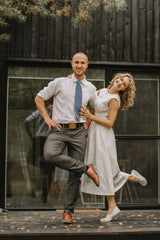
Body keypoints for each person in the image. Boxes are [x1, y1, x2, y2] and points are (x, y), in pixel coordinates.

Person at [34, 52, 99, 224]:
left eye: (82, 63)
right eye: (76, 62)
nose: (79, 65)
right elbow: (39, 98)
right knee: (49, 155)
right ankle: (87, 168)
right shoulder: (59, 83)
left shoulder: (90, 88)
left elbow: (96, 106)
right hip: (59, 129)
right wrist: (47, 118)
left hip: (79, 132)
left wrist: (89, 120)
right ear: (71, 64)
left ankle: (68, 212)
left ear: (87, 65)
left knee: (73, 175)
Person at [80, 73, 147, 223]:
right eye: (120, 80)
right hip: (94, 133)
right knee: (100, 167)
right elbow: (92, 107)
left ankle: (113, 206)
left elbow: (110, 123)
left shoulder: (114, 100)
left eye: (124, 85)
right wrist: (88, 122)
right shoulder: (101, 91)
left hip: (104, 135)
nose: (120, 84)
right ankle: (126, 184)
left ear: (123, 90)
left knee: (103, 168)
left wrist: (90, 117)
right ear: (116, 78)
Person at [24, 104, 53, 203]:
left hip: (44, 139)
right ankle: (43, 194)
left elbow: (26, 121)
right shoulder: (45, 110)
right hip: (44, 139)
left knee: (47, 169)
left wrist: (31, 136)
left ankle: (44, 195)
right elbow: (26, 121)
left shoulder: (45, 110)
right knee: (47, 169)